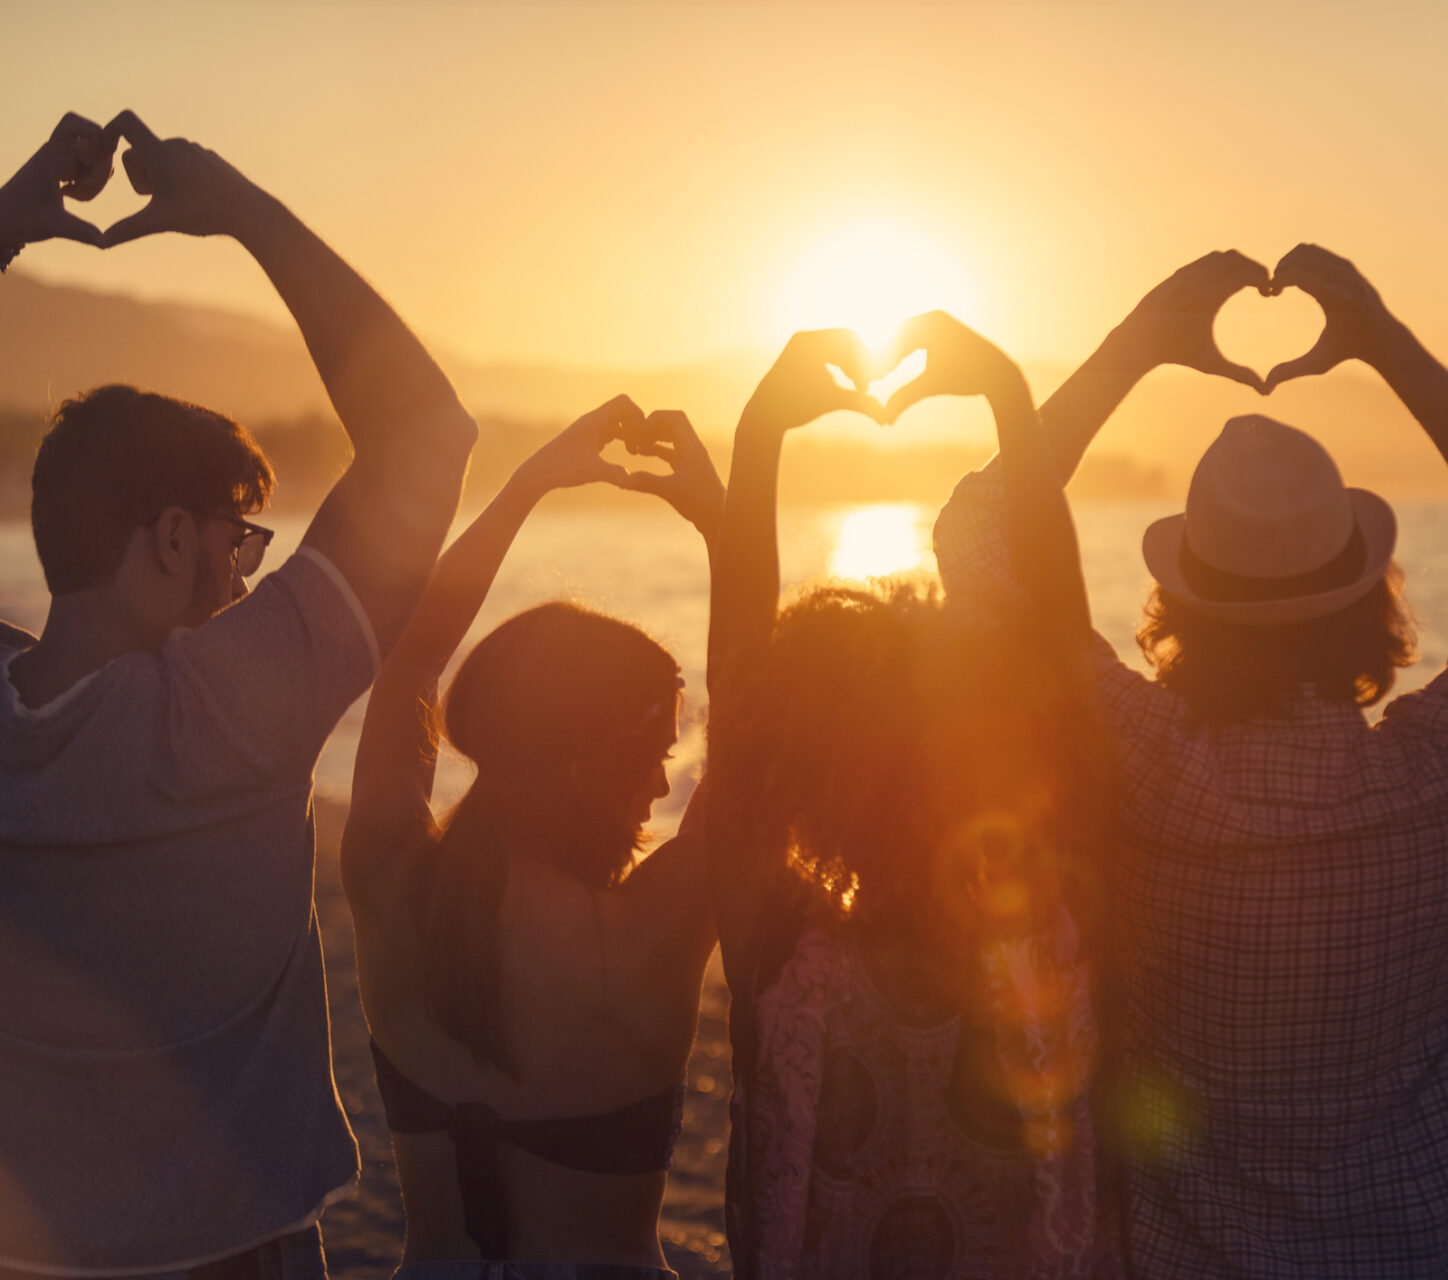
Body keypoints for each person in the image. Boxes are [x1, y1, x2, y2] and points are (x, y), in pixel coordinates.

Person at [934, 246, 1448, 1277]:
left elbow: (975, 534)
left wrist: (1135, 347)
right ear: (1369, 600)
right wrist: (1379, 338)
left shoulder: (1137, 756)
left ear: (1180, 606)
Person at [0, 112, 476, 1275]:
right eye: (240, 541)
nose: (244, 573)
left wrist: (3, 226)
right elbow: (427, 432)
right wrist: (240, 211)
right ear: (171, 535)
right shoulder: (227, 710)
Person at [706, 316, 1116, 1279]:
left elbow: (738, 695)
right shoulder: (1047, 942)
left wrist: (758, 436)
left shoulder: (783, 952)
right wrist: (1008, 397)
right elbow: (1067, 661)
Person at [339, 398, 723, 1272]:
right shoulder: (643, 939)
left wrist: (526, 487)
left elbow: (412, 656)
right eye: (654, 756)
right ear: (584, 764)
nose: (665, 785)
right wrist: (722, 523)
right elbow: (759, 708)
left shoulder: (388, 881)